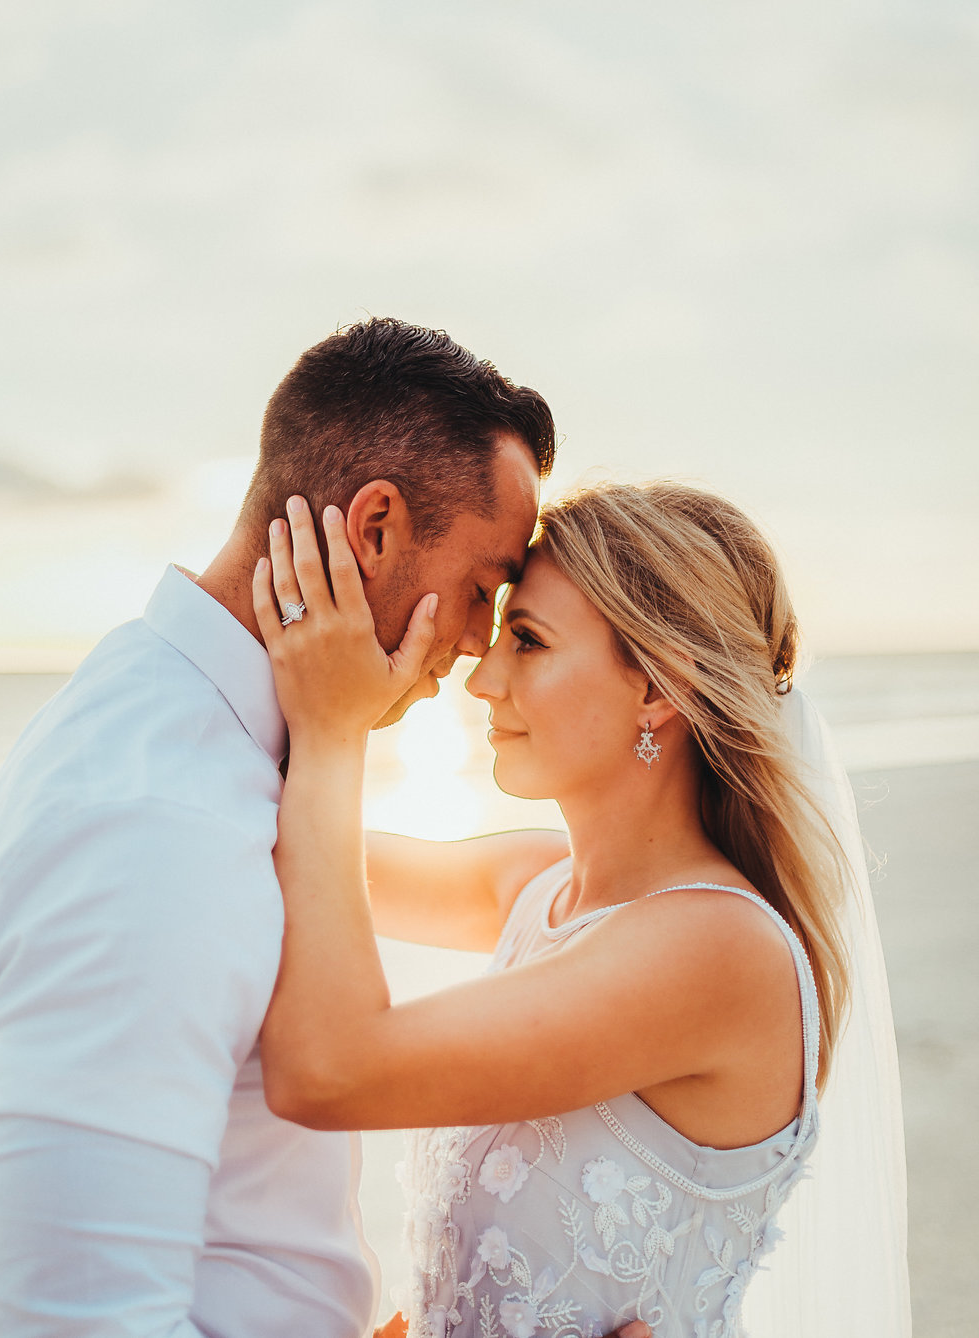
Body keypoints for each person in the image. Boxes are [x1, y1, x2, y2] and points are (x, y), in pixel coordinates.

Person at [0, 319, 597, 1338]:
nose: (478, 645)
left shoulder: (175, 731)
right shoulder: (151, 822)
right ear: (374, 527)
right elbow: (67, 1323)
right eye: (482, 587)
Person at [252, 480, 910, 1337]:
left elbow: (326, 1071)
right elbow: (282, 849)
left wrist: (335, 727)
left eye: (526, 642)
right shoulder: (536, 886)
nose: (481, 679)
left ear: (657, 689)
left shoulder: (717, 949)